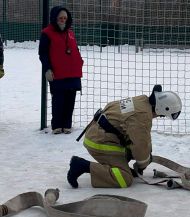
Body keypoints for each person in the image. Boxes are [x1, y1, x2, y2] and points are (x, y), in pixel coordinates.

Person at [67, 85, 182, 188]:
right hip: (99, 142)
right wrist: (142, 165)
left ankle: (118, 165)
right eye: (162, 115)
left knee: (141, 148)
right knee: (124, 179)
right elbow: (140, 146)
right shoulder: (142, 117)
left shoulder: (142, 101)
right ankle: (81, 166)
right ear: (163, 108)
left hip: (98, 133)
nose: (160, 117)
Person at [39, 6, 83, 134]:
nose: (63, 20)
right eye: (60, 18)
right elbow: (43, 53)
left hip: (73, 72)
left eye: (65, 18)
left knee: (71, 99)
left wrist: (80, 62)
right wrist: (47, 68)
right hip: (57, 72)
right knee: (58, 99)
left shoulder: (70, 32)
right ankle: (57, 125)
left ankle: (67, 125)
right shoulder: (47, 33)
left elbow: (75, 49)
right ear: (54, 18)